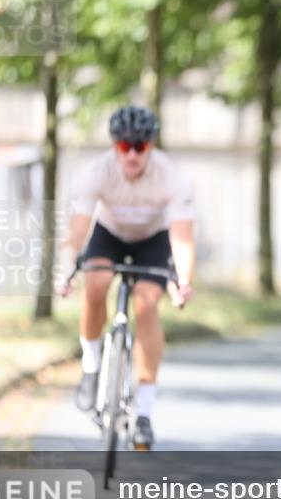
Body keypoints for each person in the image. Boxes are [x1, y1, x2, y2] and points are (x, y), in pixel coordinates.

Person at [61, 106, 196, 449]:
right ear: (114, 146)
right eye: (125, 147)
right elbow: (78, 230)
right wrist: (64, 269)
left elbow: (181, 237)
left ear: (150, 146)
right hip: (109, 235)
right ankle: (91, 367)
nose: (132, 154)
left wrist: (184, 280)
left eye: (140, 147)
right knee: (95, 283)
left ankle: (145, 413)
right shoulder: (96, 173)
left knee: (147, 304)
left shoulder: (171, 176)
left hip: (153, 240)